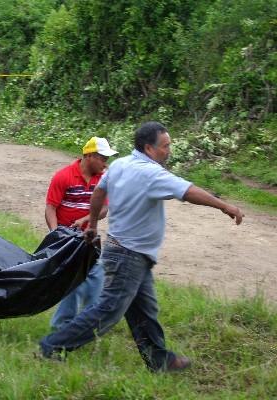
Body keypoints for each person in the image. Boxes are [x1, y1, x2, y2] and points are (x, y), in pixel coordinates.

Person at [39, 121, 244, 372]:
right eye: (165, 146)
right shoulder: (152, 174)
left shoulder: (120, 165)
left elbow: (98, 193)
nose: (169, 150)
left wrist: (92, 224)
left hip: (131, 254)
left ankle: (160, 361)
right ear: (149, 148)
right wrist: (224, 206)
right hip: (129, 255)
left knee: (145, 311)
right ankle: (52, 345)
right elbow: (188, 191)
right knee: (109, 311)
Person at [46, 137, 117, 331]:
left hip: (89, 238)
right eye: (102, 158)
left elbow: (104, 209)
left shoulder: (102, 179)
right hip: (67, 239)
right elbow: (51, 208)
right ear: (90, 156)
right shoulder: (64, 176)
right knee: (75, 281)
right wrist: (55, 234)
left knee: (96, 278)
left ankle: (89, 323)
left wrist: (86, 219)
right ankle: (63, 326)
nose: (105, 163)